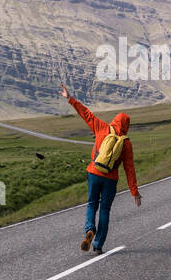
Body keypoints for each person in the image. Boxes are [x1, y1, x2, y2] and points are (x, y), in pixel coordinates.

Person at [61, 83, 142, 254]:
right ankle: (98, 245)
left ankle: (90, 228)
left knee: (92, 205)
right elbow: (129, 169)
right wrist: (134, 192)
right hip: (110, 180)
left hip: (94, 173)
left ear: (115, 120)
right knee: (105, 210)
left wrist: (70, 99)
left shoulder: (102, 127)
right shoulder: (126, 143)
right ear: (126, 126)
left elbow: (86, 114)